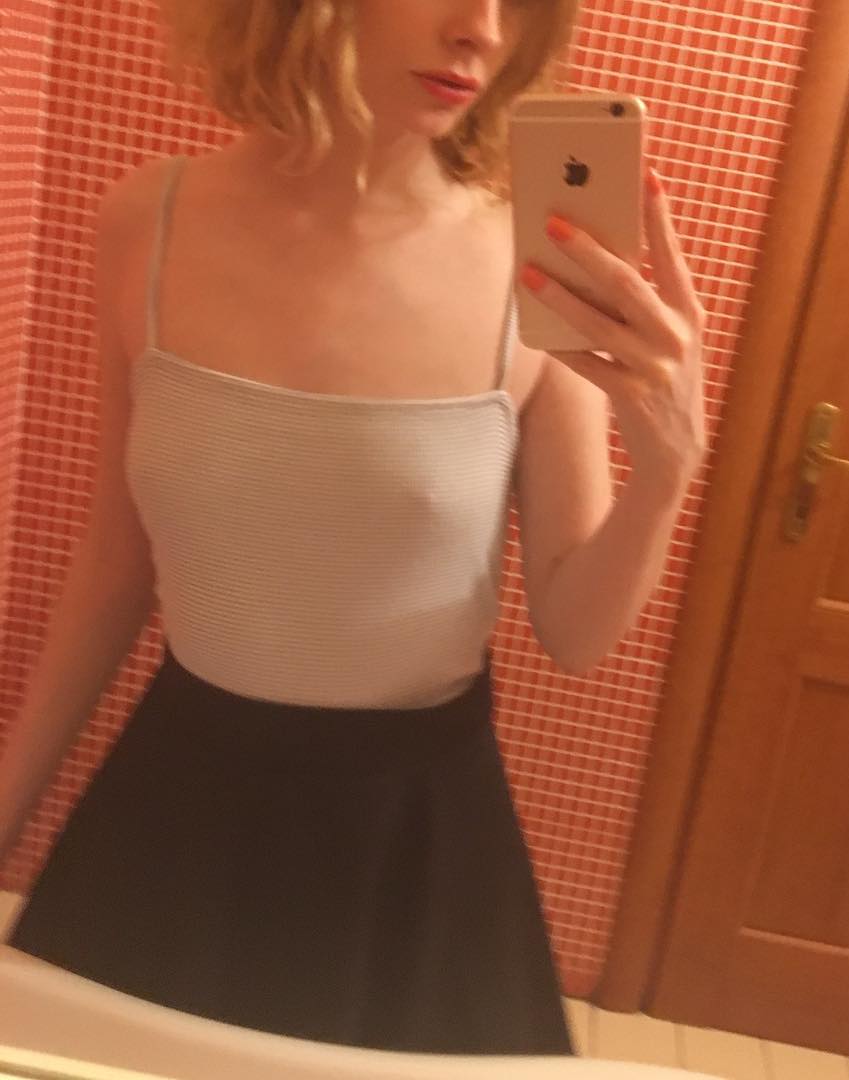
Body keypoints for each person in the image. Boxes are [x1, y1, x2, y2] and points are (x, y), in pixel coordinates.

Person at [0, 0, 707, 1058]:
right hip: (178, 810)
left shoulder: (539, 265)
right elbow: (113, 565)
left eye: (520, 3)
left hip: (413, 848)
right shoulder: (146, 224)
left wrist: (667, 473)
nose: (484, 30)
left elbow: (576, 631)